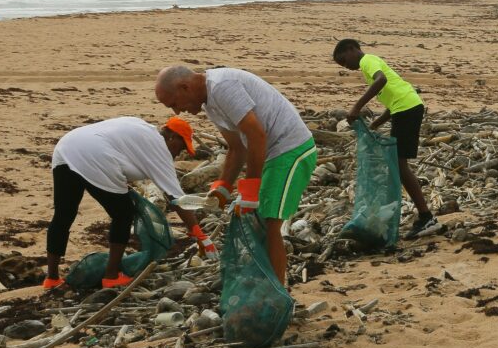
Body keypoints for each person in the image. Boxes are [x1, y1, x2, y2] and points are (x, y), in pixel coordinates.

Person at [155, 66, 317, 286]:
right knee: (258, 221)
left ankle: (277, 292)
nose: (177, 112)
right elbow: (237, 148)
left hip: (291, 149)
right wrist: (222, 188)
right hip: (274, 155)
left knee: (270, 222)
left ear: (185, 87)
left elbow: (256, 136)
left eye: (174, 103)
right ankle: (266, 282)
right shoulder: (210, 103)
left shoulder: (222, 87)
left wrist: (249, 192)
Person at [44, 116, 216, 290]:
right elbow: (177, 198)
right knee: (123, 214)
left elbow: (120, 147)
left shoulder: (140, 125)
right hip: (96, 155)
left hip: (67, 147)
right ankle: (111, 276)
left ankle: (51, 278)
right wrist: (199, 235)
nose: (180, 153)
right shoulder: (159, 148)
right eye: (182, 146)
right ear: (172, 136)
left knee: (63, 215)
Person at [332, 39, 441, 240]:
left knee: (399, 166)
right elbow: (392, 103)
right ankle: (423, 215)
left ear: (351, 49)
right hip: (405, 108)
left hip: (407, 109)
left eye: (344, 60)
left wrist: (357, 107)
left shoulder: (368, 61)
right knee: (399, 165)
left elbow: (381, 80)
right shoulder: (368, 69)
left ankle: (426, 217)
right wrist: (376, 124)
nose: (346, 66)